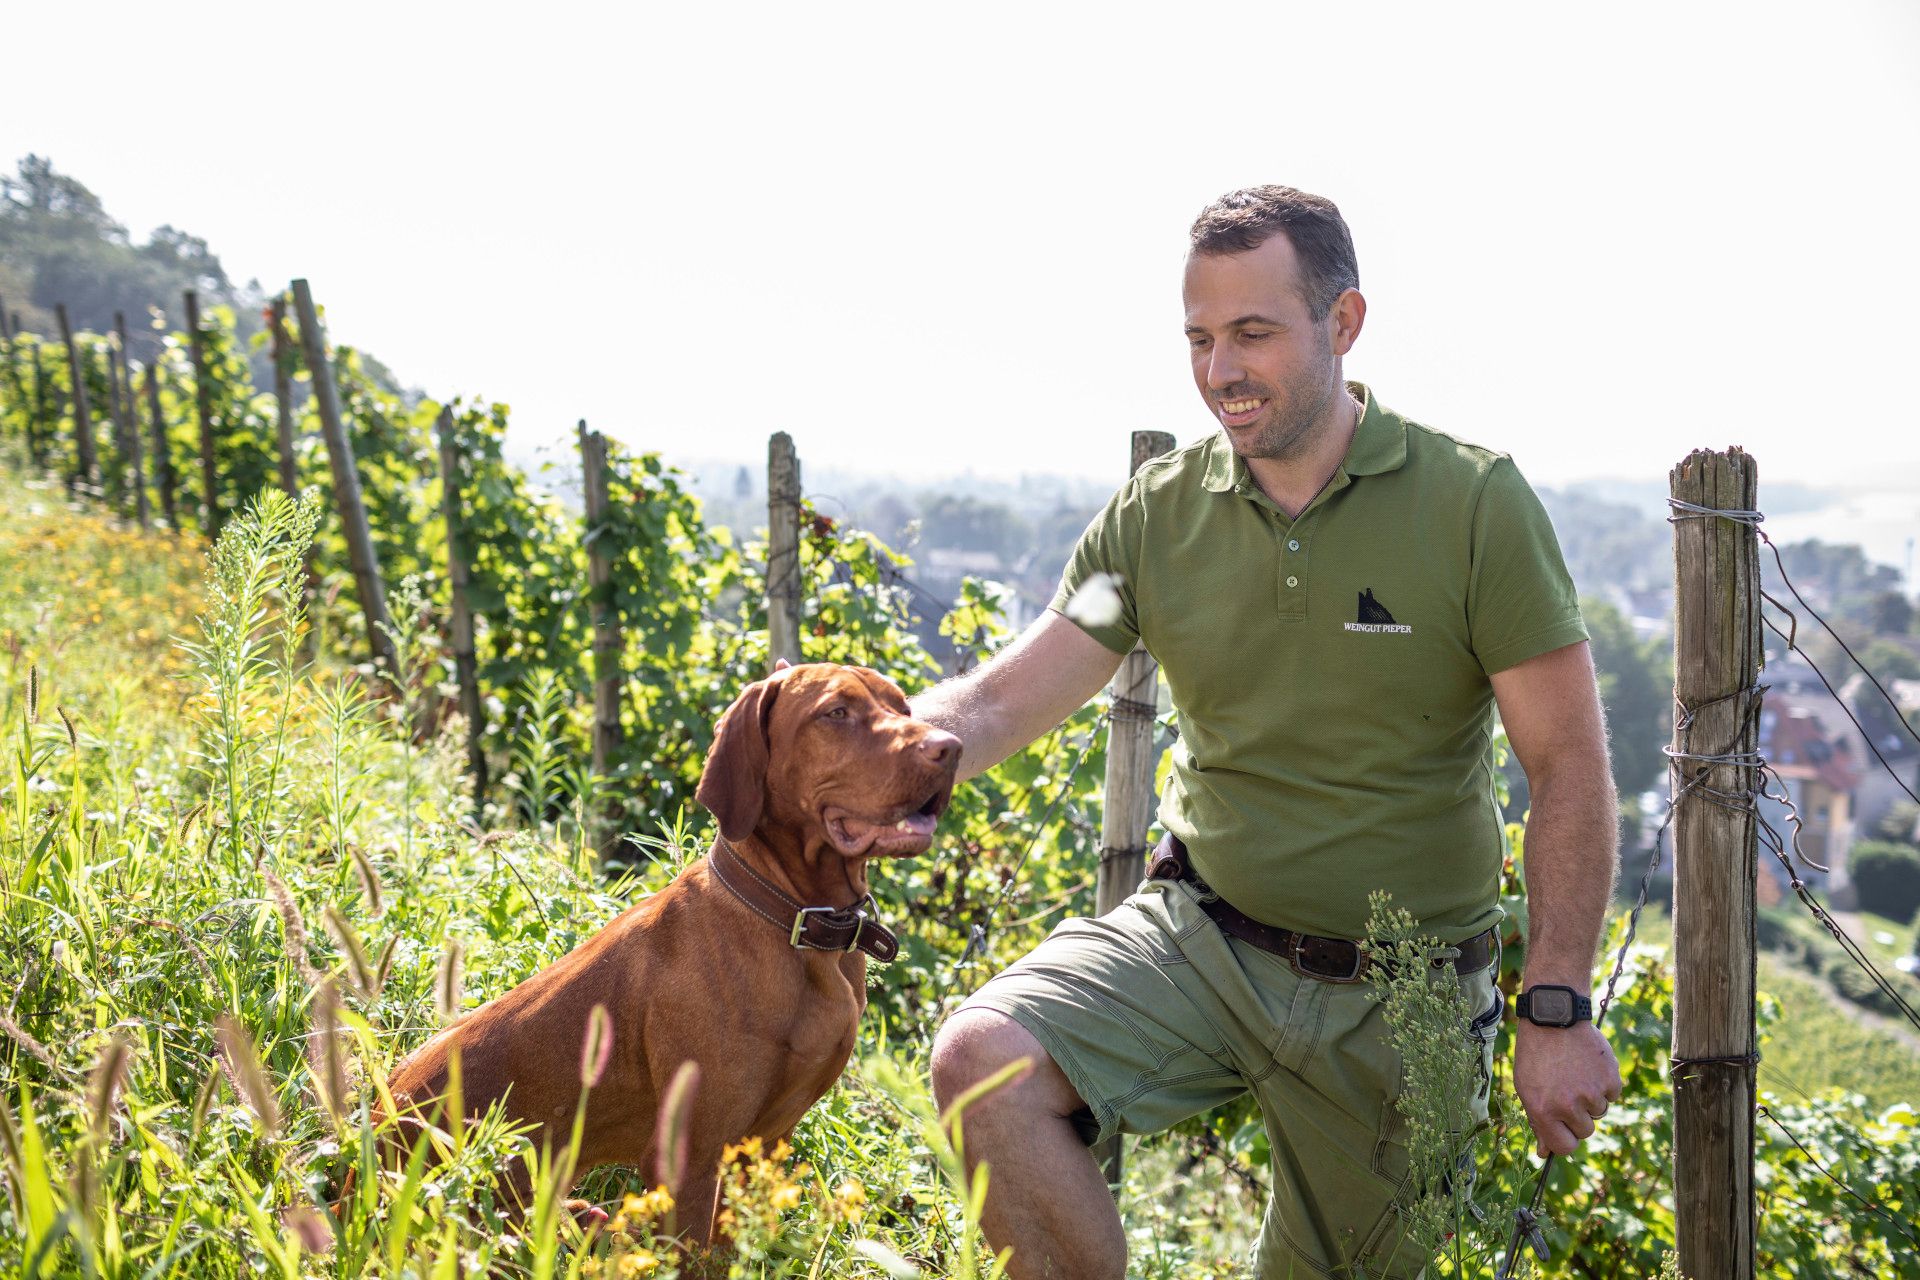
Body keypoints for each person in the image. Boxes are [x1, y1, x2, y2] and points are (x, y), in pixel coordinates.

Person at [915, 185, 1625, 1279]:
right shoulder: (1158, 520)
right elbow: (1013, 694)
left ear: (1342, 324)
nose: (1219, 372)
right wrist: (874, 756)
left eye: (1253, 333)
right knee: (983, 1057)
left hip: (1406, 997)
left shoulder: (1473, 506)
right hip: (1201, 940)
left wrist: (1558, 1004)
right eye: (1199, 339)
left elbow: (1566, 762)